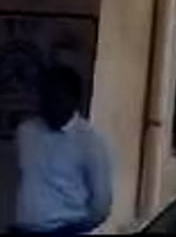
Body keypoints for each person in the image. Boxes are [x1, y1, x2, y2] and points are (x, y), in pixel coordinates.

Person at [12, 65, 112, 235]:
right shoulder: (26, 132)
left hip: (66, 230)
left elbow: (101, 204)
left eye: (56, 97)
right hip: (24, 229)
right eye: (44, 96)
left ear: (74, 100)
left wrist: (74, 229)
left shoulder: (91, 142)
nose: (48, 103)